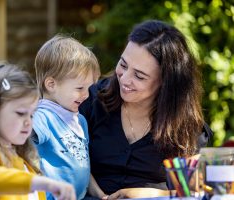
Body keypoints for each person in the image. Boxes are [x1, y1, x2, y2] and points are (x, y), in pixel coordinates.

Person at [79, 20, 213, 199]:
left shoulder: (186, 128)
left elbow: (189, 193)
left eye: (139, 76)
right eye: (123, 65)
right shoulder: (91, 99)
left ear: (165, 83)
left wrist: (149, 193)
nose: (124, 79)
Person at [0, 62, 76, 200]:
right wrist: (44, 184)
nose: (29, 121)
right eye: (20, 113)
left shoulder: (22, 160)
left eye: (31, 114)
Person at [31, 35, 103, 199]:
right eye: (79, 88)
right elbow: (19, 136)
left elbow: (82, 165)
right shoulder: (43, 117)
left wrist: (100, 194)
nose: (86, 95)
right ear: (51, 85)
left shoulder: (80, 121)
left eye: (88, 88)